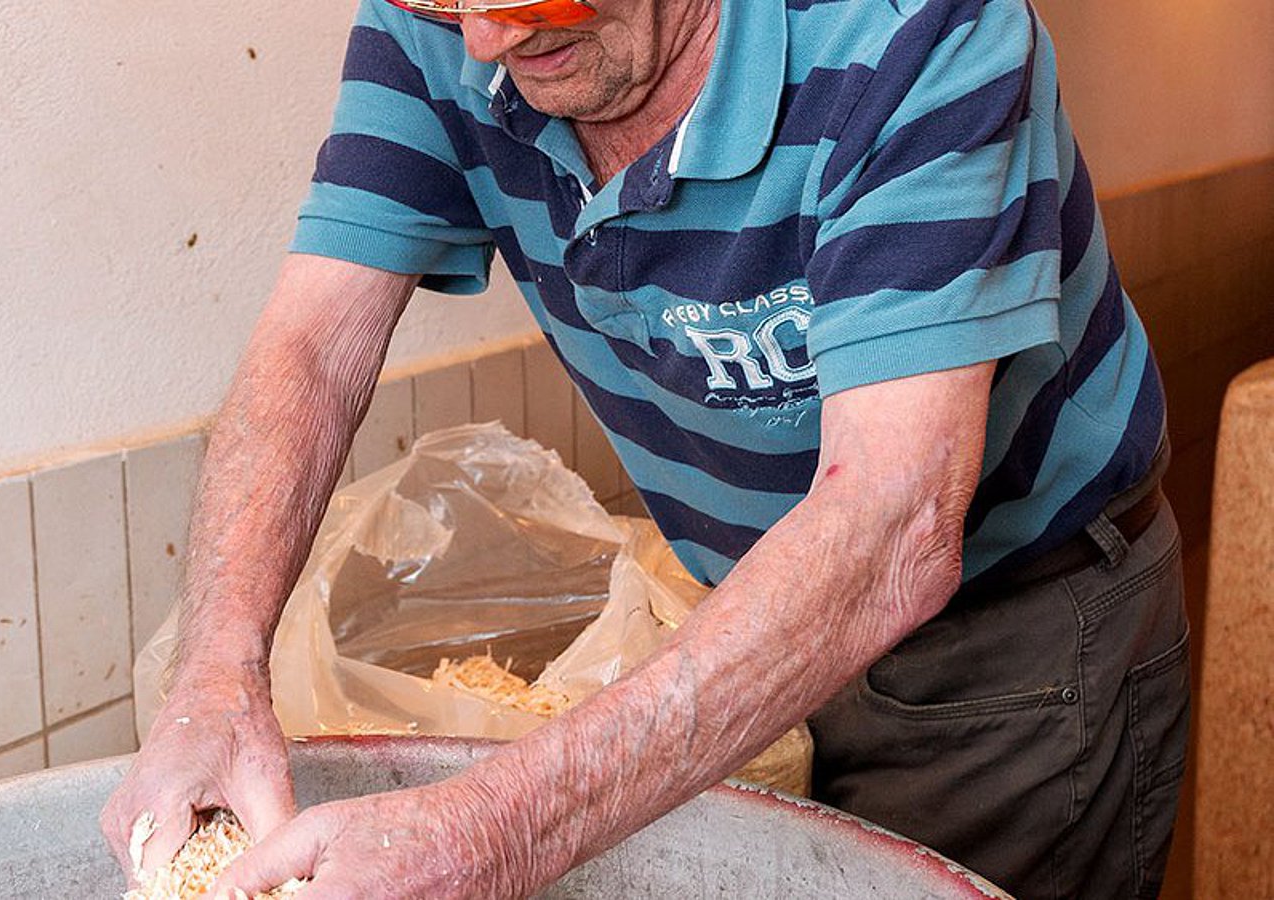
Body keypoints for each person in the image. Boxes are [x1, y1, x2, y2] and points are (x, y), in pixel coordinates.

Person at [101, 0, 1191, 897]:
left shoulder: (916, 31)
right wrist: (214, 675)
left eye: (531, 0)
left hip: (1020, 636)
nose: (486, 44)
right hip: (765, 605)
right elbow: (310, 349)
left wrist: (494, 830)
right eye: (449, 5)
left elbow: (893, 527)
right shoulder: (440, 23)